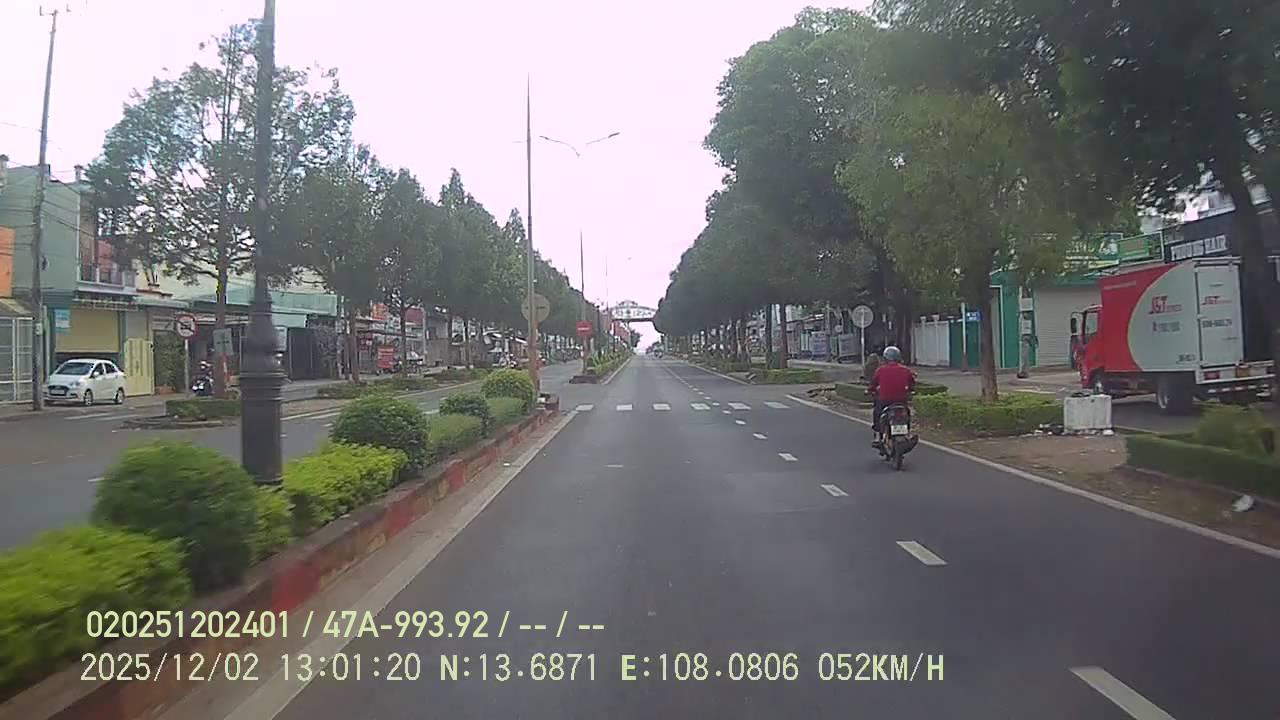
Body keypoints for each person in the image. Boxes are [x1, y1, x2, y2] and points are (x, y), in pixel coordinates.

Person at [868, 345, 915, 447]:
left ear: (885, 358)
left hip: (885, 400)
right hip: (901, 400)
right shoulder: (906, 370)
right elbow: (912, 384)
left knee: (877, 412)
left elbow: (873, 384)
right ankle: (907, 433)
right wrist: (910, 390)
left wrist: (870, 390)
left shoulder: (880, 370)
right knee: (906, 413)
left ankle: (877, 436)